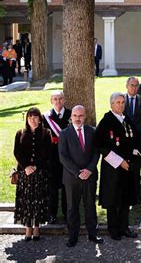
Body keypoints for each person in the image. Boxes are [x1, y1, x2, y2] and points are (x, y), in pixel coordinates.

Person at [95, 93, 140, 240]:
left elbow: (136, 142)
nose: (121, 105)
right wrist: (120, 162)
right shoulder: (106, 122)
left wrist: (133, 161)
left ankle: (124, 227)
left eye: (122, 102)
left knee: (126, 199)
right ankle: (113, 229)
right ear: (111, 104)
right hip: (113, 168)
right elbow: (101, 146)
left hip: (128, 167)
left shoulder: (127, 120)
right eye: (118, 102)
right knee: (113, 200)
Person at [58, 105, 104, 247]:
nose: (78, 119)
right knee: (72, 208)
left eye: (81, 116)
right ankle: (73, 236)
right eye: (75, 116)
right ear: (71, 117)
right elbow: (63, 157)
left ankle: (93, 234)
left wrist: (89, 170)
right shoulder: (64, 134)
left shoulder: (92, 131)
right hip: (72, 178)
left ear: (85, 116)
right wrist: (78, 172)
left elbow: (97, 153)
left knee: (90, 206)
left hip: (90, 176)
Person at [14, 107, 52, 241]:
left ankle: (37, 227)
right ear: (27, 119)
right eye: (30, 117)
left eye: (35, 117)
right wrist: (26, 167)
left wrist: (35, 166)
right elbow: (17, 152)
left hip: (39, 173)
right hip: (25, 174)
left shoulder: (46, 133)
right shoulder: (20, 133)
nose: (33, 120)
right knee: (26, 201)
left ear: (40, 119)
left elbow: (47, 153)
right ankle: (27, 227)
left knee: (38, 201)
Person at [43, 90, 71, 224]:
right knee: (52, 188)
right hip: (52, 156)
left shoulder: (71, 114)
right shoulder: (46, 117)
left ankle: (67, 213)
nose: (58, 102)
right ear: (51, 101)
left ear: (64, 100)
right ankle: (51, 214)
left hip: (68, 155)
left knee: (67, 186)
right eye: (55, 99)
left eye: (60, 99)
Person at [124, 77, 141, 204]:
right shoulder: (121, 100)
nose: (134, 87)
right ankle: (126, 195)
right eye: (132, 85)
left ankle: (137, 196)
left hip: (137, 141)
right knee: (124, 169)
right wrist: (127, 132)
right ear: (127, 86)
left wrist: (133, 132)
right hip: (123, 141)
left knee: (136, 170)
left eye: (136, 85)